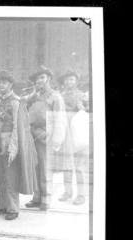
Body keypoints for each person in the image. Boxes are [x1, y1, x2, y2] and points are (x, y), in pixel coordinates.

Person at [0, 70, 37, 220]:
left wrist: (13, 148)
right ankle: (2, 204)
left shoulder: (16, 101)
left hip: (9, 144)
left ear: (11, 84)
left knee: (10, 177)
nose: (1, 85)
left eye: (4, 82)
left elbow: (17, 126)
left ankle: (13, 208)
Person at [24, 66, 67, 211]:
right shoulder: (34, 96)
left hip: (46, 138)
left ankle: (46, 199)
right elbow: (23, 104)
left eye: (42, 77)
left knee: (45, 169)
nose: (39, 81)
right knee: (35, 167)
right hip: (33, 136)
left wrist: (56, 141)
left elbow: (60, 120)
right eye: (37, 79)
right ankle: (37, 197)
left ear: (48, 78)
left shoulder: (55, 97)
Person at [57, 70, 89, 205]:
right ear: (63, 82)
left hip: (79, 134)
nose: (69, 82)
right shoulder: (60, 96)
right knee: (66, 165)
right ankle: (68, 192)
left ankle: (81, 194)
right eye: (67, 79)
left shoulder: (82, 95)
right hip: (65, 133)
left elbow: (89, 112)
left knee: (79, 166)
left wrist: (85, 107)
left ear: (76, 81)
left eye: (72, 79)